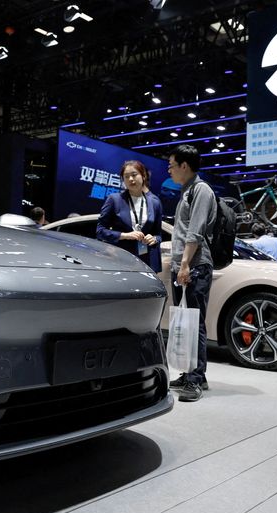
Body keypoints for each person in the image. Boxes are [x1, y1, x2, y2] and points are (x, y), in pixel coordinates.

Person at [168, 144, 216, 402]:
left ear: (184, 166)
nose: (169, 170)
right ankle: (193, 374)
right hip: (184, 265)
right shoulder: (187, 191)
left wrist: (185, 263)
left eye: (172, 166)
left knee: (194, 323)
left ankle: (195, 380)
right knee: (187, 322)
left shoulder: (201, 190)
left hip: (195, 265)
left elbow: (195, 231)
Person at [96, 160, 163, 273]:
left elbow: (158, 234)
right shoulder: (114, 200)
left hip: (145, 260)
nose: (131, 179)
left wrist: (154, 238)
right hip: (120, 258)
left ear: (143, 176)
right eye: (126, 176)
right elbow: (100, 231)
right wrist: (125, 235)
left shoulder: (155, 202)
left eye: (134, 175)